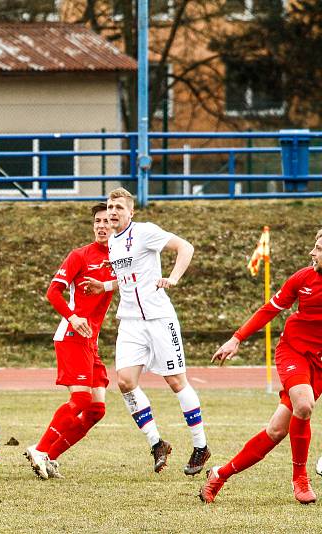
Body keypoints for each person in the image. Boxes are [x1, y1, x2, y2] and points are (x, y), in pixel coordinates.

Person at [200, 229, 322, 505]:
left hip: (319, 362)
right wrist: (236, 338)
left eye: (318, 249)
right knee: (303, 405)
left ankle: (219, 474)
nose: (312, 253)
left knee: (277, 431)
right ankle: (300, 478)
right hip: (293, 351)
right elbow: (270, 309)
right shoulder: (303, 278)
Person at [100, 187, 210, 475]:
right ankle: (157, 442)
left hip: (159, 318)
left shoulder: (145, 231)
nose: (113, 212)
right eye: (110, 207)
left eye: (119, 208)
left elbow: (186, 247)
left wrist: (172, 278)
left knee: (176, 382)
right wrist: (105, 286)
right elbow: (127, 278)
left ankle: (201, 446)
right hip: (131, 322)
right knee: (124, 381)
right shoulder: (113, 241)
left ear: (131, 212)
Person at [24, 203, 115, 480]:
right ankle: (39, 449)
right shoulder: (80, 256)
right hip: (73, 335)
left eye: (108, 221)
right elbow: (53, 292)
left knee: (96, 410)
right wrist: (73, 317)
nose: (102, 226)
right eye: (98, 221)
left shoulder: (122, 258)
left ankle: (51, 457)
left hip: (92, 340)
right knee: (79, 399)